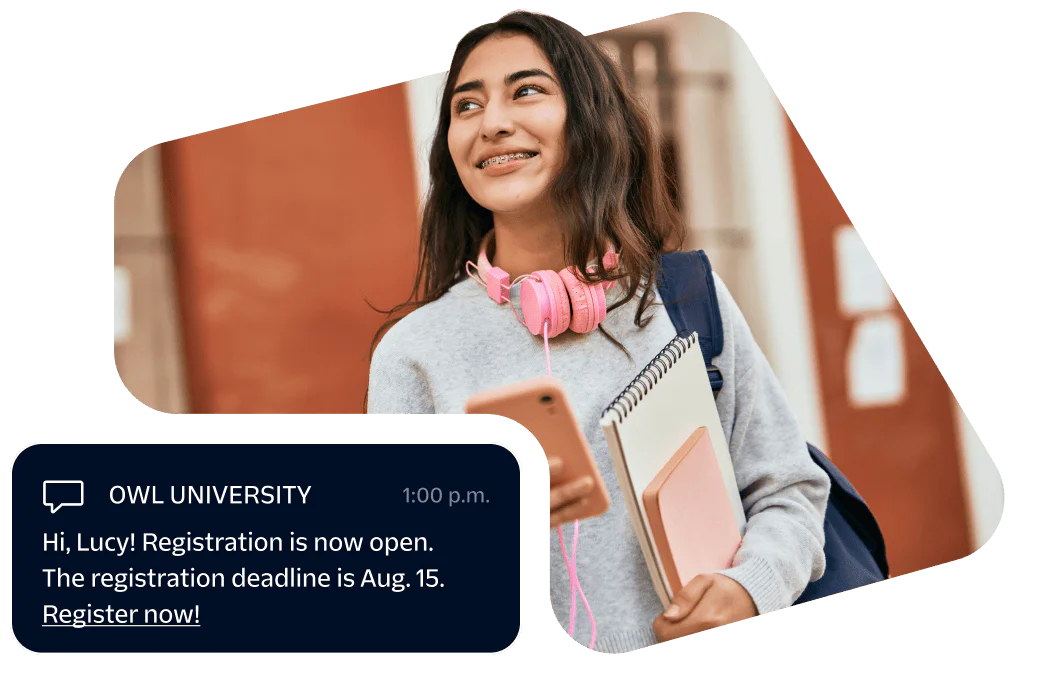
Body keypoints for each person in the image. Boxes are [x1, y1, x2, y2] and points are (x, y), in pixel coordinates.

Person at [367, 9, 830, 653]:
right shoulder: (414, 356)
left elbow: (790, 490)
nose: (493, 121)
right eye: (466, 106)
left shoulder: (687, 298)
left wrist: (750, 587)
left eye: (527, 90)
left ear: (590, 122)